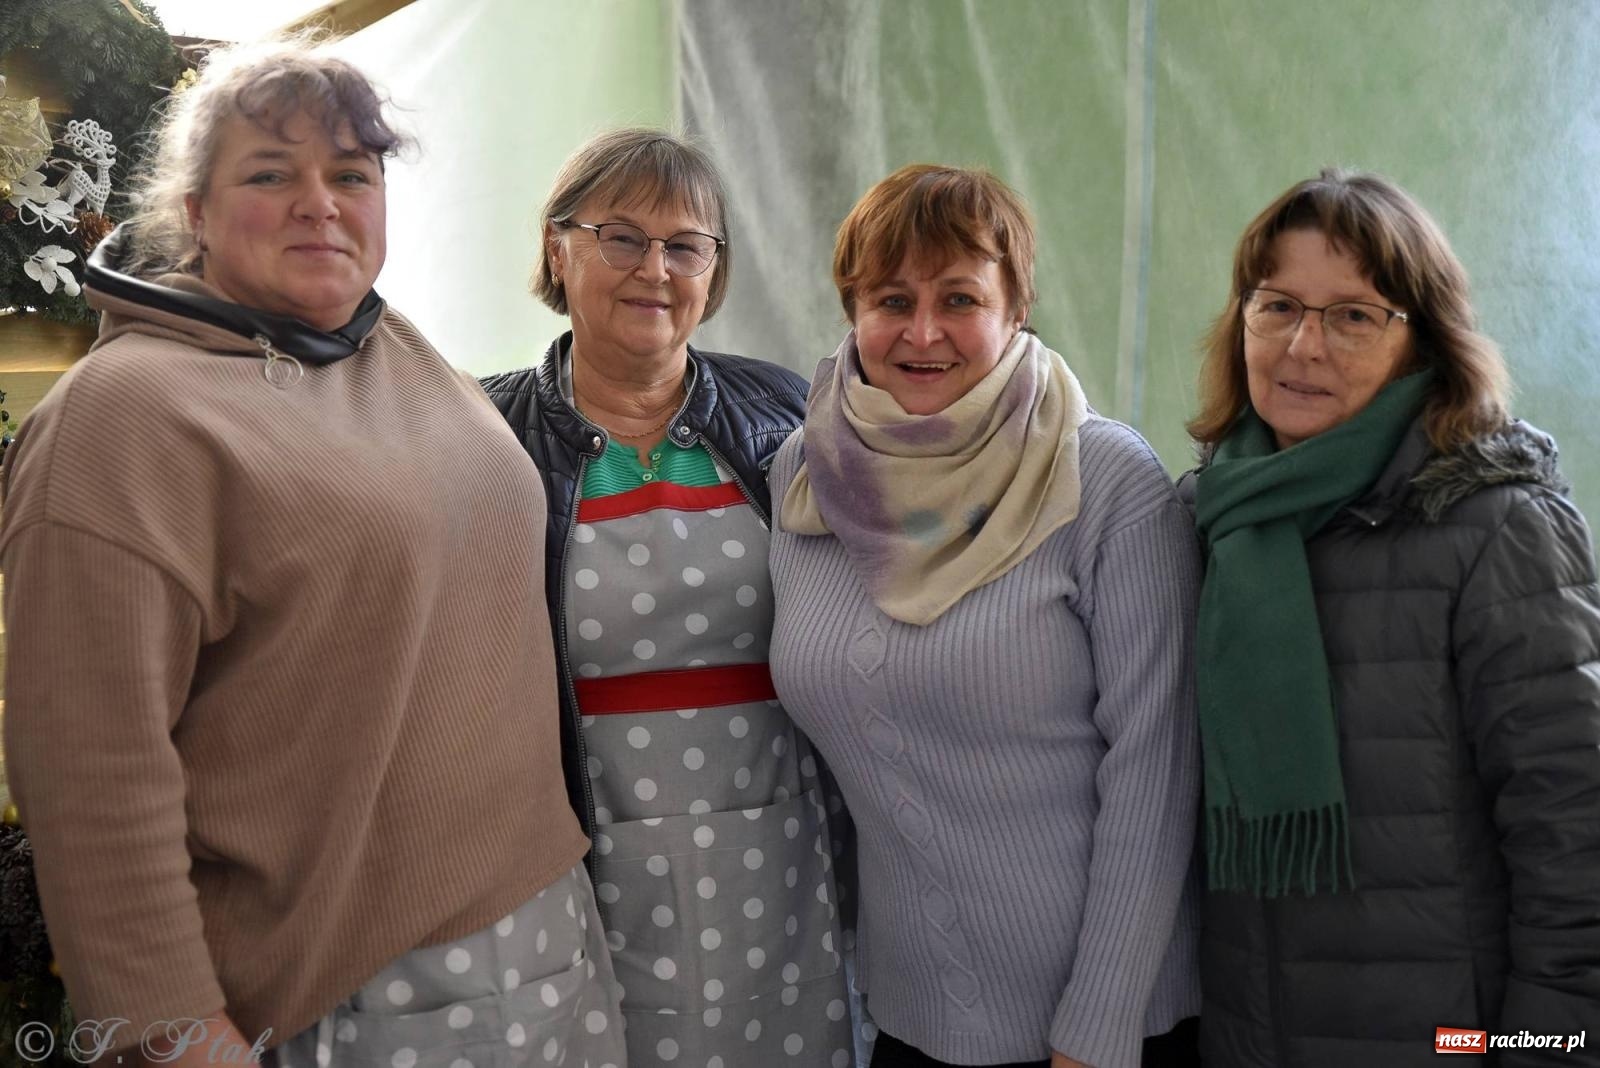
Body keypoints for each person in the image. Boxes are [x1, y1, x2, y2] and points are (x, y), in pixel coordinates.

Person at [0, 39, 624, 1067]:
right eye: (268, 175)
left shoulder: (388, 345)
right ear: (195, 212)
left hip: (543, 937)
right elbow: (89, 763)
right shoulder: (121, 417)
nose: (319, 204)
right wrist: (169, 1029)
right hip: (344, 990)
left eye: (351, 175)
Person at [766, 163, 1201, 1068]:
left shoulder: (1107, 480)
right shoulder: (803, 474)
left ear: (1017, 309)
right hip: (907, 1018)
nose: (923, 332)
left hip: (1100, 1029)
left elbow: (1156, 774)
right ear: (853, 310)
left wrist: (1098, 1028)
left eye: (959, 298)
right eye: (892, 299)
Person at [1186, 168, 1600, 1067]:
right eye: (1278, 306)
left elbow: (1577, 834)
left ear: (1424, 343)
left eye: (1353, 316)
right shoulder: (1207, 521)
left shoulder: (1500, 529)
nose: (1304, 345)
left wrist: (1546, 1049)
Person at [480, 127, 856, 1066]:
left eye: (685, 245)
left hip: (790, 856)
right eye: (622, 237)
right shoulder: (483, 434)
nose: (655, 269)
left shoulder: (787, 414)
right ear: (558, 249)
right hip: (581, 860)